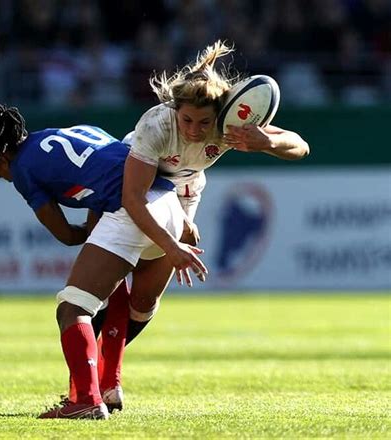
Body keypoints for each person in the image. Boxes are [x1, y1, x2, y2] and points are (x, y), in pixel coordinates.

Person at [96, 39, 310, 407]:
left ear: (219, 115)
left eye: (204, 122)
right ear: (174, 109)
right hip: (130, 184)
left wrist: (266, 143)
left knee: (145, 298)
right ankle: (103, 380)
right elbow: (135, 195)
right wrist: (171, 240)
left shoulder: (229, 125)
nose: (195, 130)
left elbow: (301, 146)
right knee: (116, 278)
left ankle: (101, 366)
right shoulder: (158, 123)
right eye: (187, 120)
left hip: (184, 190)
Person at [0, 103, 207, 420]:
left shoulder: (22, 169)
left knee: (72, 307)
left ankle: (86, 400)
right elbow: (114, 167)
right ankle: (108, 386)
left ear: (0, 158)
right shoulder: (72, 131)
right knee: (113, 287)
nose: (1, 176)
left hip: (133, 208)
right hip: (168, 204)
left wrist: (84, 231)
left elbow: (66, 234)